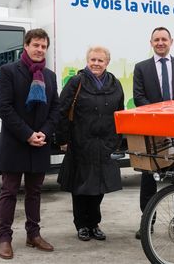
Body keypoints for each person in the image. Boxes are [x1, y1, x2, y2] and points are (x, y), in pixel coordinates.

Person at [0, 28, 60, 260]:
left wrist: (44, 133)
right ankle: (4, 238)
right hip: (15, 142)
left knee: (34, 192)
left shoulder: (50, 76)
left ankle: (33, 234)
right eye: (36, 45)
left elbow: (55, 109)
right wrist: (27, 134)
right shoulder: (8, 71)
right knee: (9, 192)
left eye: (44, 46)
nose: (40, 50)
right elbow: (4, 108)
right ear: (26, 45)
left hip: (39, 143)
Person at [56, 46, 124, 242]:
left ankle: (94, 223)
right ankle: (82, 225)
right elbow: (62, 110)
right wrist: (62, 139)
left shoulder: (115, 83)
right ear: (87, 60)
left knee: (99, 187)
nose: (96, 63)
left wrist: (117, 140)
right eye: (93, 59)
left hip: (105, 144)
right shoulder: (77, 82)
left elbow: (119, 112)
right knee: (81, 187)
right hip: (81, 144)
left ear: (107, 63)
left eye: (100, 60)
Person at [133, 26, 174, 239]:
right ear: (151, 43)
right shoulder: (141, 68)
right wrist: (160, 117)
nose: (160, 43)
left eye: (164, 39)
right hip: (152, 132)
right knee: (149, 178)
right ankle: (147, 222)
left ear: (171, 41)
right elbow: (139, 97)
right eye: (156, 39)